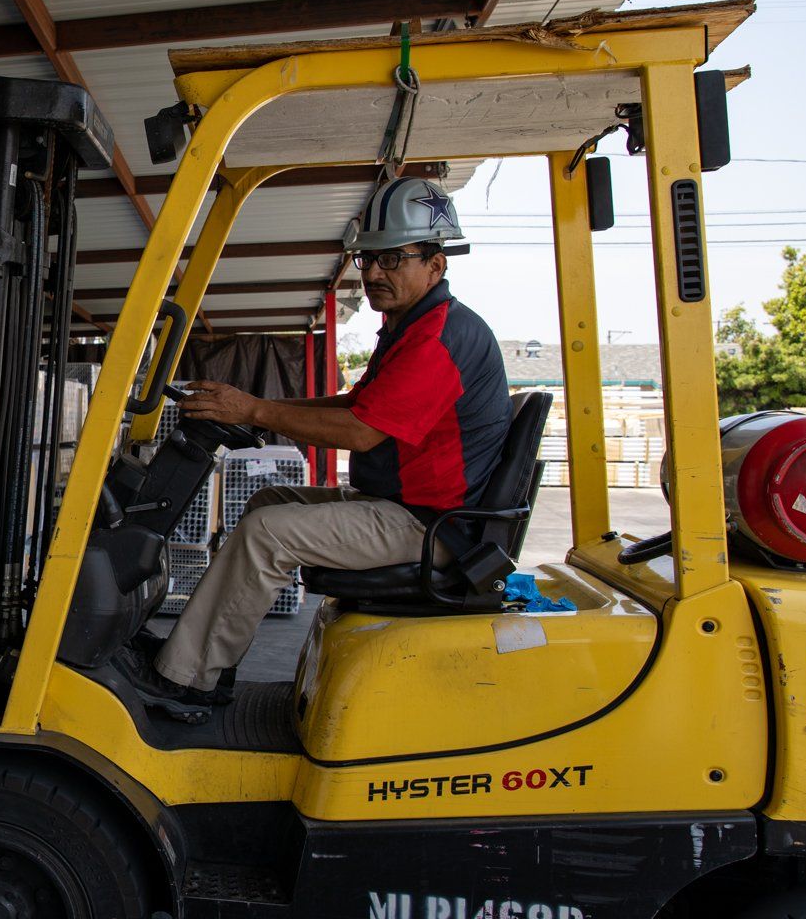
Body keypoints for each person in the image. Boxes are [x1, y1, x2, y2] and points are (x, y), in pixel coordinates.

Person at [119, 176, 512, 715]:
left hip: (434, 527)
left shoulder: (439, 339)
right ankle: (205, 659)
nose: (373, 273)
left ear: (434, 265)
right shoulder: (414, 328)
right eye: (367, 260)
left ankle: (188, 678)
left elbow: (360, 432)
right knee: (267, 504)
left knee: (266, 533)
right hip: (412, 510)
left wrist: (253, 411)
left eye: (392, 259)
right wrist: (252, 405)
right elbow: (357, 404)